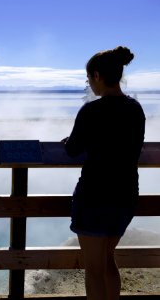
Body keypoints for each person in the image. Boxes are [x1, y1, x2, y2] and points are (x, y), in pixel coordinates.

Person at [62, 46, 146, 300]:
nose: (90, 84)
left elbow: (73, 150)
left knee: (94, 270)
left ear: (97, 76)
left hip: (95, 196)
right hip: (125, 195)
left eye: (89, 79)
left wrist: (69, 141)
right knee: (108, 260)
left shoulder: (91, 111)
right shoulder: (135, 110)